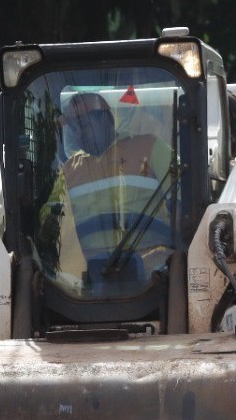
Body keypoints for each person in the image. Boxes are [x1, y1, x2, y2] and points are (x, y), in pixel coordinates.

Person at [38, 92, 175, 293]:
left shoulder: (151, 148)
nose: (79, 133)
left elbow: (185, 202)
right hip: (90, 278)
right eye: (74, 128)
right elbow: (49, 216)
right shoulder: (68, 172)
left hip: (155, 274)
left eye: (83, 125)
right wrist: (47, 223)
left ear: (106, 120)